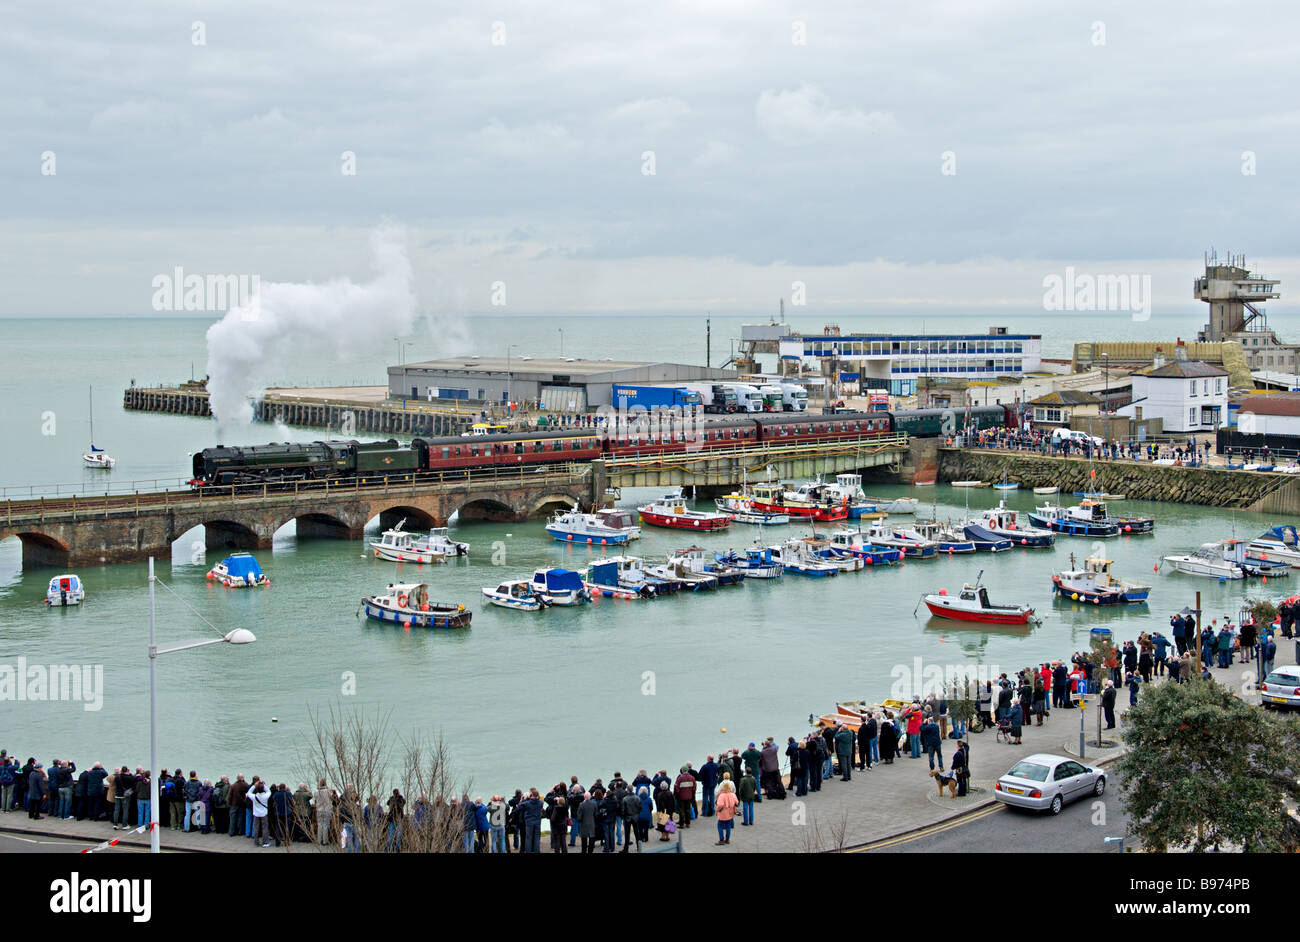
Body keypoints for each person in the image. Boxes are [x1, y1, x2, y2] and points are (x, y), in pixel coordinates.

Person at [714, 780, 738, 845]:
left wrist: (717, 810)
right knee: (728, 826)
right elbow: (737, 802)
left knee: (720, 825)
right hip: (730, 813)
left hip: (723, 813)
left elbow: (720, 805)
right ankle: (727, 839)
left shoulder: (721, 795)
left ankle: (721, 839)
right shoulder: (733, 794)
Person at [249, 781, 270, 847]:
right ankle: (265, 842)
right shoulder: (265, 796)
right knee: (265, 828)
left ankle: (256, 842)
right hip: (264, 813)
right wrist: (264, 785)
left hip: (256, 813)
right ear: (263, 789)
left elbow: (248, 792)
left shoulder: (254, 797)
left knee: (256, 828)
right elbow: (269, 791)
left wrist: (254, 785)